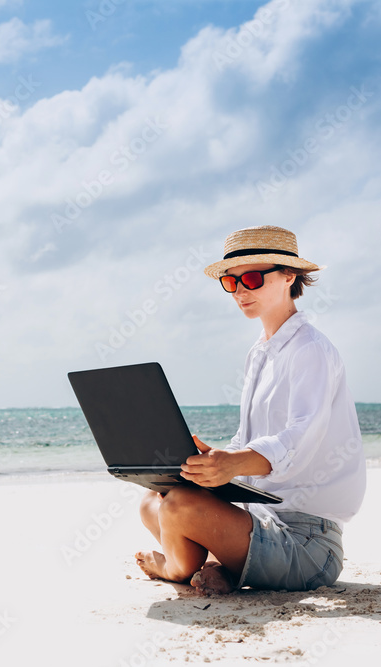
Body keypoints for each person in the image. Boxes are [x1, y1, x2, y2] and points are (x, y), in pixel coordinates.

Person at [134, 225, 366, 593]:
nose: (241, 290)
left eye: (253, 278)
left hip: (308, 544)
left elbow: (301, 437)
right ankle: (215, 565)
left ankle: (178, 568)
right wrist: (215, 460)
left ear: (289, 275)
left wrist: (235, 462)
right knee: (154, 498)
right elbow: (249, 440)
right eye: (231, 282)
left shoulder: (311, 349)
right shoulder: (260, 353)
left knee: (178, 507)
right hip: (257, 516)